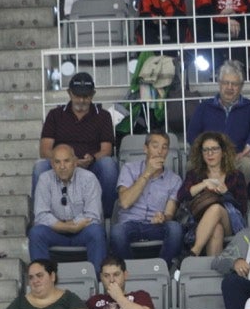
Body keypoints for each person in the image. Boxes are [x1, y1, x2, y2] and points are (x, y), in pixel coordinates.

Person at [34, 71, 118, 218]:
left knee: (108, 165)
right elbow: (45, 150)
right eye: (77, 95)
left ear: (93, 94)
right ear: (69, 93)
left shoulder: (103, 116)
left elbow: (107, 150)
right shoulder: (55, 115)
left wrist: (91, 158)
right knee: (40, 166)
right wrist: (67, 161)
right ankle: (40, 216)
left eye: (86, 96)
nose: (81, 100)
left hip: (91, 164)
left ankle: (107, 217)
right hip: (61, 163)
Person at [111, 130, 184, 268]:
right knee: (117, 232)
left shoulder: (174, 180)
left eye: (164, 147)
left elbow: (170, 213)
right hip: (130, 223)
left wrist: (163, 217)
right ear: (146, 148)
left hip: (155, 226)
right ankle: (129, 271)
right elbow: (125, 202)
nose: (160, 151)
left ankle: (162, 269)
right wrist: (147, 173)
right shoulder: (129, 169)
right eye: (155, 146)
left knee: (175, 228)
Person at [28, 144, 107, 269]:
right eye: (57, 162)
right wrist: (68, 227)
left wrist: (73, 226)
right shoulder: (44, 179)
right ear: (52, 165)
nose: (62, 166)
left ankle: (98, 282)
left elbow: (93, 215)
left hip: (82, 232)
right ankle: (42, 280)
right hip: (56, 232)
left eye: (67, 161)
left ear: (75, 162)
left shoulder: (89, 178)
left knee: (96, 232)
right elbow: (41, 216)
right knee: (36, 233)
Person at [186, 61, 250, 181]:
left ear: (241, 86)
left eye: (234, 84)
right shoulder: (204, 107)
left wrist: (248, 148)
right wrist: (204, 152)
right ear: (219, 84)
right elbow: (192, 134)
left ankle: (237, 198)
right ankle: (203, 199)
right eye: (225, 83)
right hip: (209, 156)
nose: (229, 87)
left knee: (247, 165)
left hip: (237, 156)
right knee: (191, 165)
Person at [177, 131, 249, 257]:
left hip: (231, 222)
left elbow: (242, 208)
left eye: (214, 149)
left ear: (223, 152)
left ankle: (194, 252)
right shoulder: (194, 174)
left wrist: (226, 193)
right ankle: (211, 274)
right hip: (199, 223)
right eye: (206, 150)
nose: (210, 154)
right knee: (217, 229)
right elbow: (181, 196)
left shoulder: (236, 176)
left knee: (215, 209)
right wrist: (204, 184)